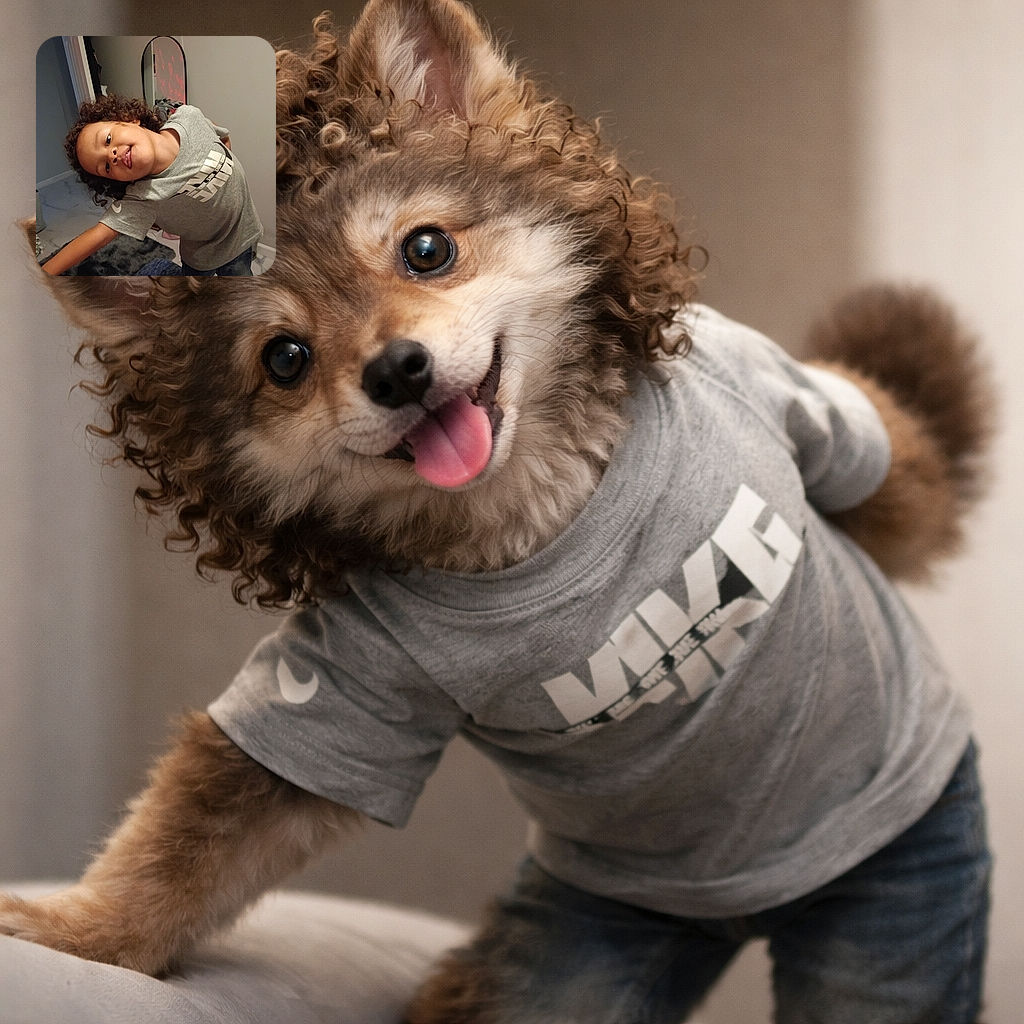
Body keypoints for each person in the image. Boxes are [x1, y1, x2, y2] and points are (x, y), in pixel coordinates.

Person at [41, 95, 262, 276]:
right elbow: (98, 236)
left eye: (107, 140)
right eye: (106, 167)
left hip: (240, 237)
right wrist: (40, 276)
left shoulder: (189, 116)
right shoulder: (142, 197)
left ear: (128, 118)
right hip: (199, 256)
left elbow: (219, 134)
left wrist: (227, 154)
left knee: (240, 300)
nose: (112, 155)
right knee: (191, 302)